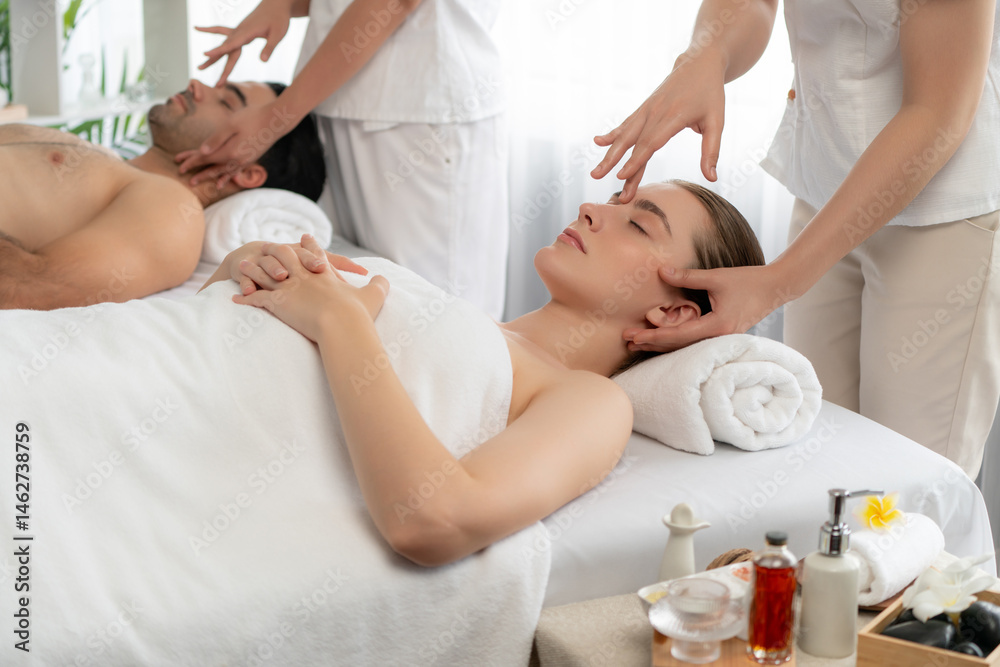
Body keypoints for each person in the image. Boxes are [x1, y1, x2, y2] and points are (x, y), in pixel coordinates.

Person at [202, 180, 765, 564]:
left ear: (673, 312)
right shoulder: (471, 321)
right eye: (616, 200)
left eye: (639, 225)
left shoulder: (589, 400)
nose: (592, 208)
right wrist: (252, 263)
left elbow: (431, 523)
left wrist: (339, 322)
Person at [591, 0, 1000, 478]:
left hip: (942, 215)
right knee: (810, 452)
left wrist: (779, 281)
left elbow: (937, 111)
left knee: (905, 484)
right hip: (824, 189)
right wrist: (709, 53)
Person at [175, 0, 510, 320]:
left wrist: (277, 116)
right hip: (340, 101)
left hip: (418, 112)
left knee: (434, 310)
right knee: (366, 294)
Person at [0, 78, 325, 310]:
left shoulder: (172, 209)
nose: (195, 84)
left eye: (226, 102)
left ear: (247, 172)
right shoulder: (108, 163)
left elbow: (28, 287)